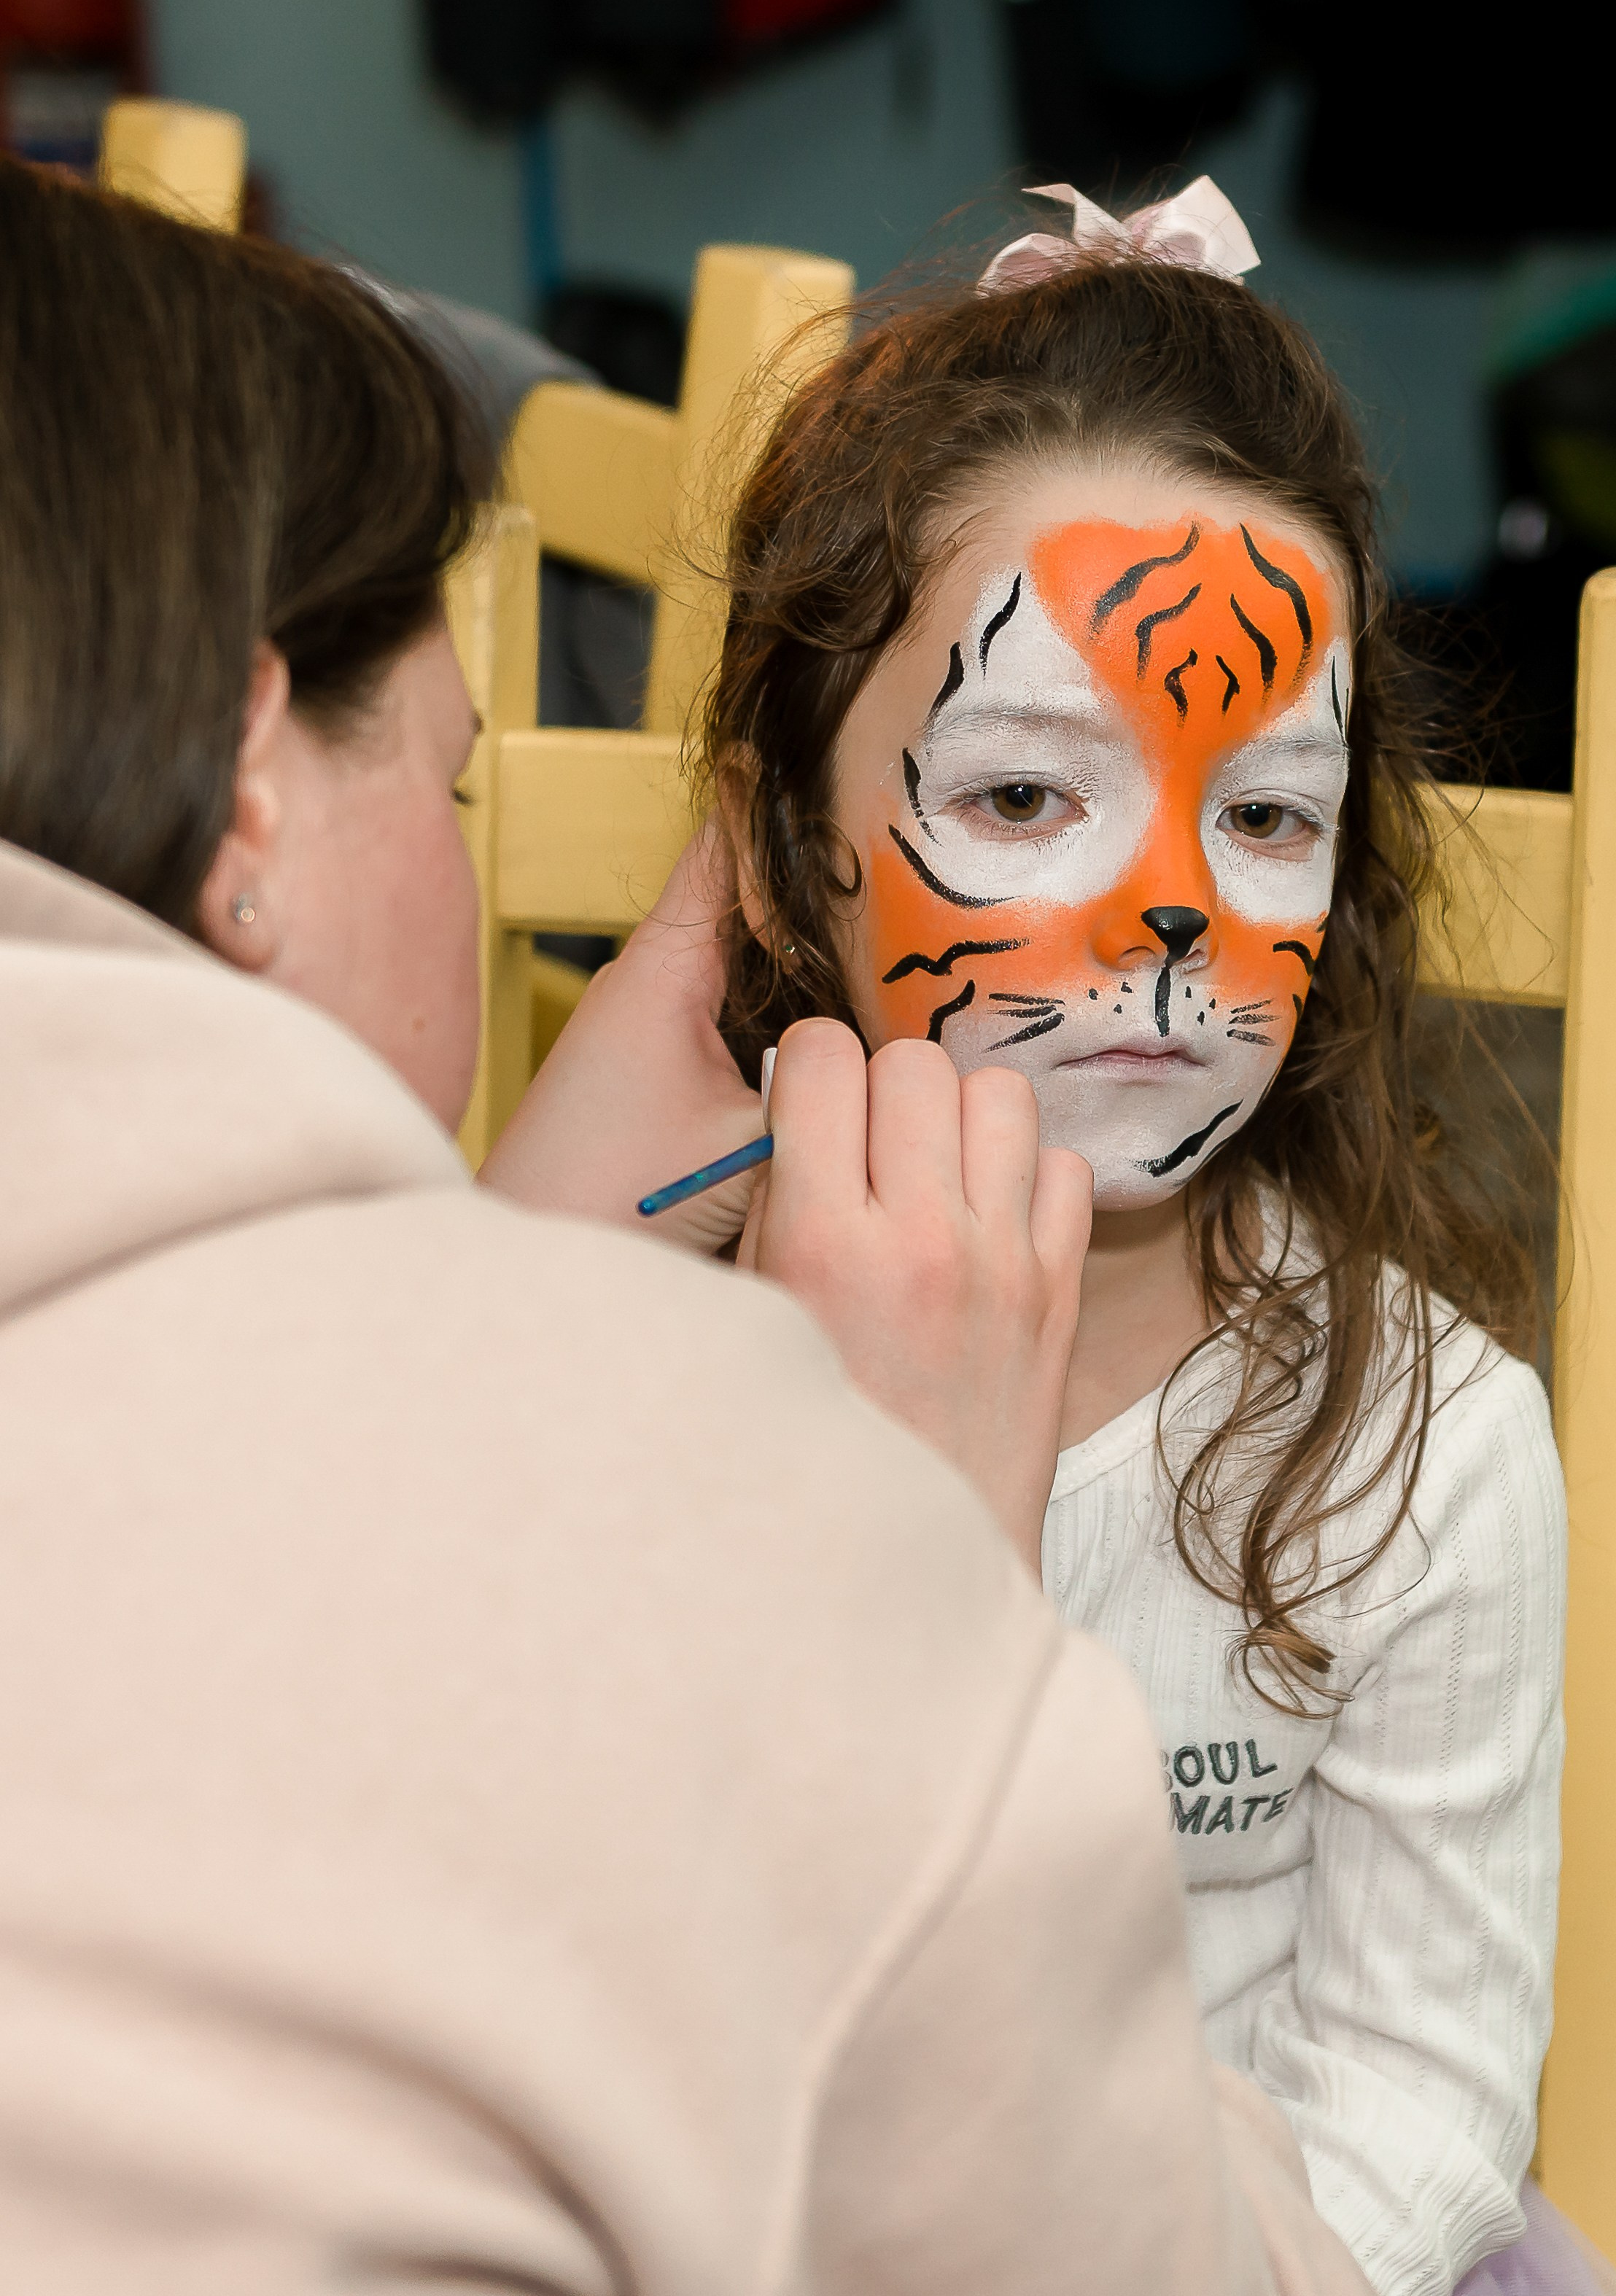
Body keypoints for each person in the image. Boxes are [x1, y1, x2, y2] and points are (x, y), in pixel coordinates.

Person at [0, 152, 1366, 2295]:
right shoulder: (705, 1551)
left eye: (1270, 811)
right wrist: (887, 1594)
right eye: (452, 790)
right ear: (251, 784)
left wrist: (493, 1276)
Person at [516, 180, 1585, 2296]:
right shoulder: (625, 1349)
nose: (1163, 921)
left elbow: (1419, 2102)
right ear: (785, 852)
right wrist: (535, 1280)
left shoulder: (1417, 1451)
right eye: (1020, 798)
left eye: (1264, 816)